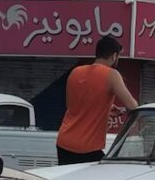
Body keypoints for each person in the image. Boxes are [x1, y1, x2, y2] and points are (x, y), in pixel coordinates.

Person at [56, 36, 138, 165]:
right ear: (114, 56)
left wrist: (106, 109)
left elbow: (73, 105)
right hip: (87, 147)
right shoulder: (112, 75)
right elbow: (132, 106)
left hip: (64, 143)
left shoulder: (75, 72)